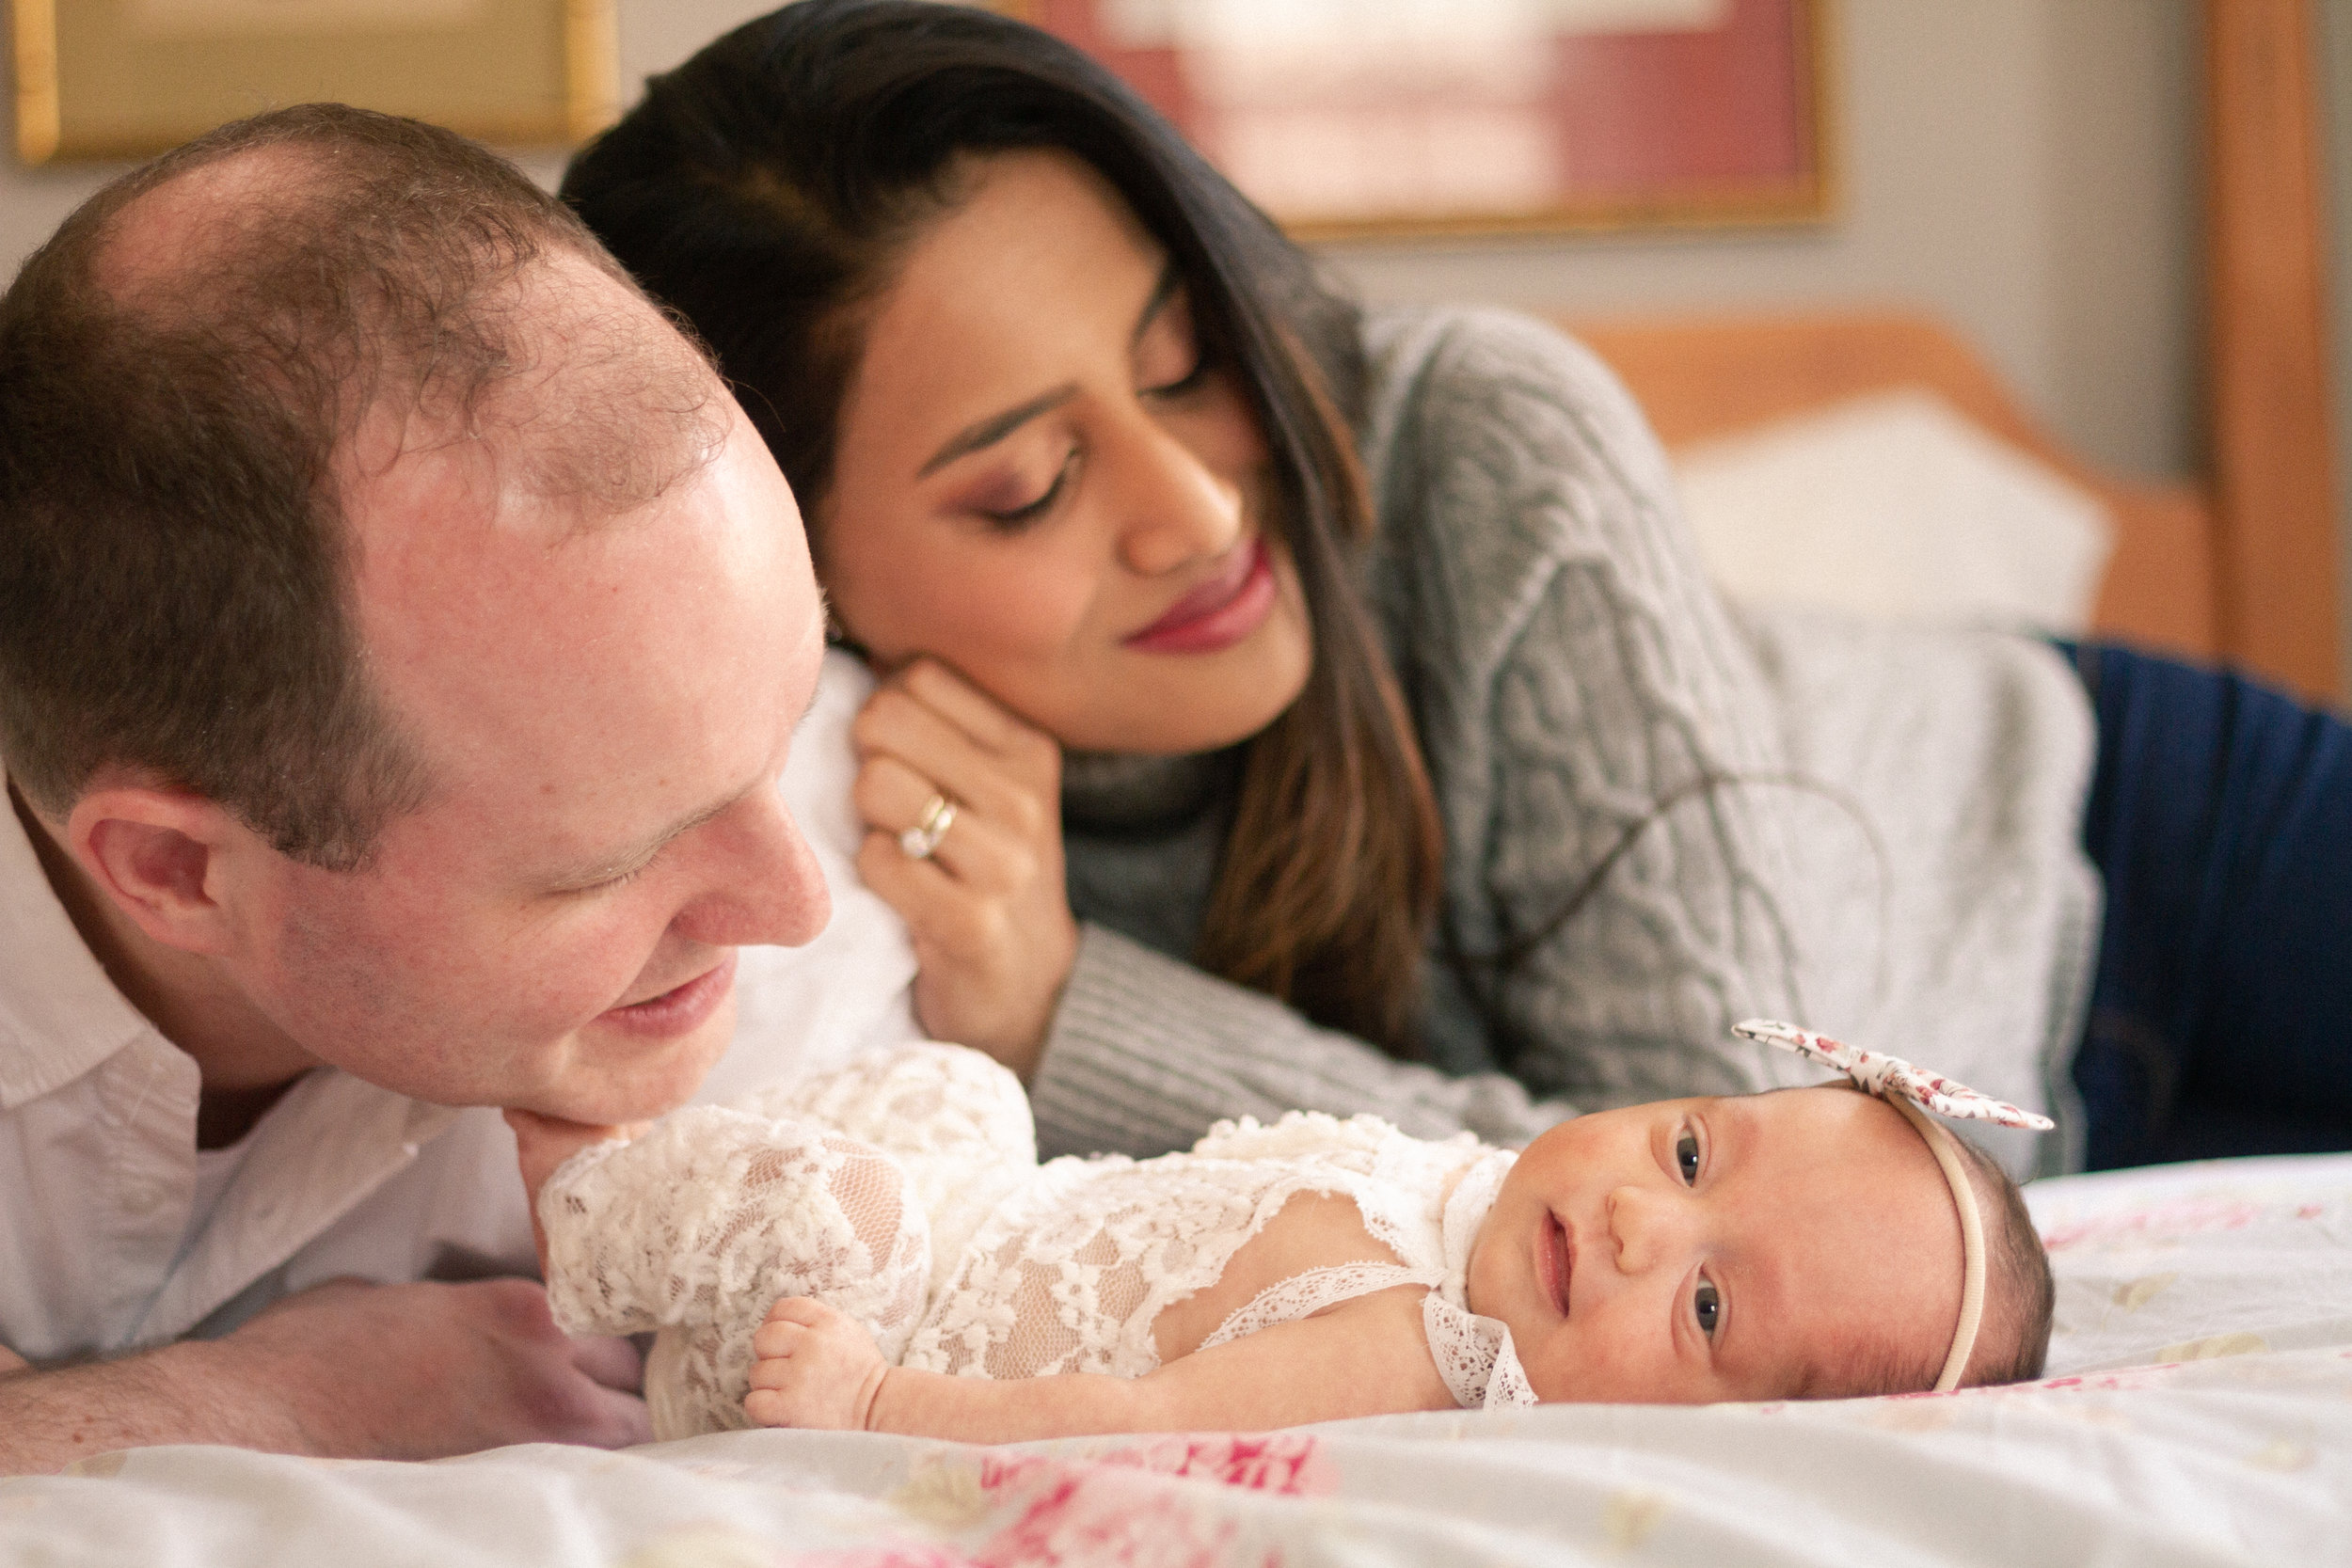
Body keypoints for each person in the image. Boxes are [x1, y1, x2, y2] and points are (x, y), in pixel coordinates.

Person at [560, 0, 2352, 1180]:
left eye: (1189, 363)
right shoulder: (838, 826)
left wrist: (1068, 1014)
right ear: (811, 578)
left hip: (2113, 851)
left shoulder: (1484, 439)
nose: (1195, 506)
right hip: (2010, 1169)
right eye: (1028, 486)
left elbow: (1740, 1175)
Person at [0, 104, 873, 1472]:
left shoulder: (810, 842)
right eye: (604, 866)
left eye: (784, 721)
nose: (792, 901)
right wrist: (253, 1411)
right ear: (175, 870)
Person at [512, 1025, 2055, 1442]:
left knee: (822, 1210)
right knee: (965, 1084)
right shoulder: (1486, 1200)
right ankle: (673, 1200)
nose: (1645, 1225)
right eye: (1695, 1150)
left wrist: (865, 1404)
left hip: (877, 1355)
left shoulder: (1420, 1352)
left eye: (1713, 1313)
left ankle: (577, 1203)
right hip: (995, 1226)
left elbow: (1131, 1419)